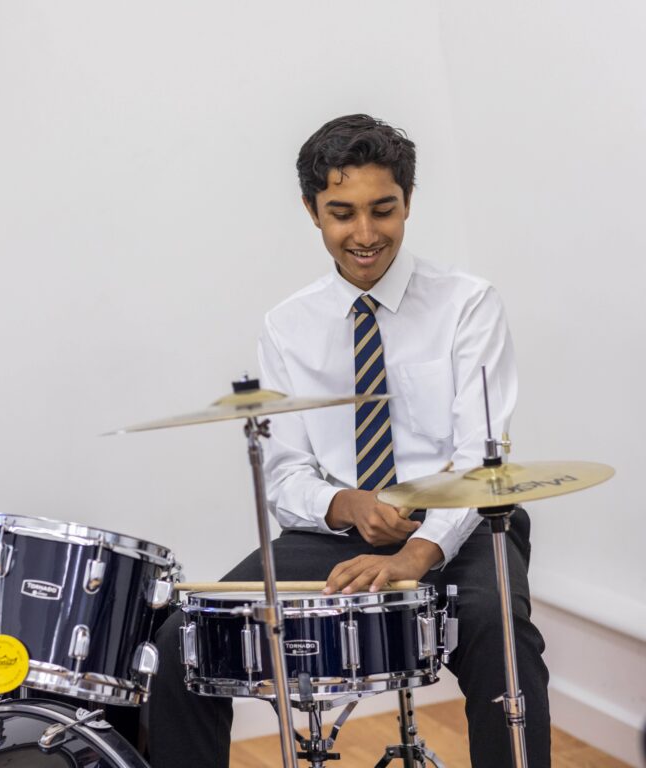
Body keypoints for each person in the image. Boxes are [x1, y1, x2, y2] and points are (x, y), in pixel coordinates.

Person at [148, 114, 551, 768]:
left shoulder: (468, 303)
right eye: (342, 213)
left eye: (382, 210)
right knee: (178, 647)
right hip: (331, 534)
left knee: (503, 640)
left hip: (463, 524)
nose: (365, 235)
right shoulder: (287, 327)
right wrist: (348, 506)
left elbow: (481, 461)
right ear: (312, 212)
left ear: (408, 203)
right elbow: (286, 477)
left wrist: (417, 553)